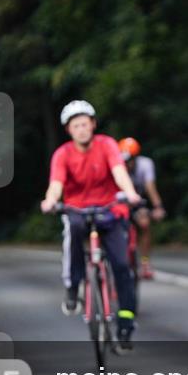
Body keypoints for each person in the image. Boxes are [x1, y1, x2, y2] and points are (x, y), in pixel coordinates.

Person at [40, 100, 143, 351]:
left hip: (109, 209)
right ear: (69, 130)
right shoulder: (62, 154)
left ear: (93, 124)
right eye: (76, 125)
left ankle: (126, 324)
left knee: (121, 264)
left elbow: (119, 173)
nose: (82, 129)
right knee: (73, 233)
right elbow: (56, 184)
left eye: (85, 123)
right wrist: (50, 201)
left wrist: (130, 193)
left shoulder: (107, 145)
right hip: (76, 210)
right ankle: (72, 287)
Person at [118, 137, 166, 280]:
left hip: (138, 201)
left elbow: (150, 187)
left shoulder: (145, 164)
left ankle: (145, 263)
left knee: (144, 223)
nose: (128, 164)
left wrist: (158, 206)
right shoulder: (117, 166)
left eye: (130, 160)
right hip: (119, 202)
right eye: (125, 161)